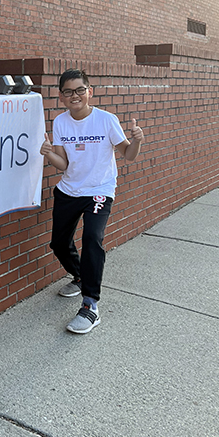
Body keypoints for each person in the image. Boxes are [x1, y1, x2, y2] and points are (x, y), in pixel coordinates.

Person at [40, 68, 143, 334]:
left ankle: (90, 305)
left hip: (99, 190)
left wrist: (137, 141)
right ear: (61, 97)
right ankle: (79, 276)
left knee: (91, 239)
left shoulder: (107, 120)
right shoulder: (61, 122)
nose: (74, 95)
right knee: (59, 243)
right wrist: (49, 154)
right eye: (68, 92)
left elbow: (128, 155)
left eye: (79, 90)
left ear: (89, 92)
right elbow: (63, 165)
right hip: (69, 190)